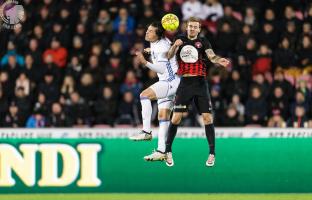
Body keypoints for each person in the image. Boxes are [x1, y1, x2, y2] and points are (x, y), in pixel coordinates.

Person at [157, 17, 229, 167]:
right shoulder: (179, 39)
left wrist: (218, 60)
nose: (192, 29)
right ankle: (168, 151)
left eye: (195, 27)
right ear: (186, 27)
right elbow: (168, 56)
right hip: (185, 83)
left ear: (199, 29)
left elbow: (211, 55)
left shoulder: (203, 41)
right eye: (190, 26)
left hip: (200, 83)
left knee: (208, 119)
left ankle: (212, 154)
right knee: (176, 119)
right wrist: (174, 46)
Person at [129, 22, 180, 161]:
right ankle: (162, 151)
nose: (147, 32)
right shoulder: (158, 43)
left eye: (150, 31)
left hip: (170, 82)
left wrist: (144, 62)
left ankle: (146, 131)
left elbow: (162, 69)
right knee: (163, 117)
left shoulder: (161, 45)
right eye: (147, 29)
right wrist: (150, 51)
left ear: (157, 35)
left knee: (144, 95)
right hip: (171, 82)